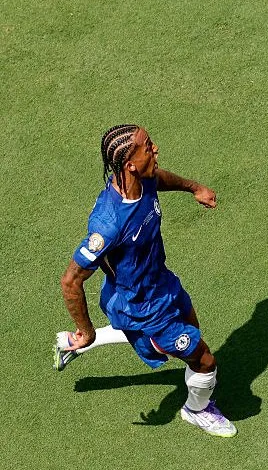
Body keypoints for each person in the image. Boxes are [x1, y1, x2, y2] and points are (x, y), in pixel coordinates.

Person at [55, 124, 236, 437]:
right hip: (140, 305)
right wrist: (84, 330)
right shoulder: (109, 225)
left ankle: (78, 343)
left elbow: (159, 179)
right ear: (130, 164)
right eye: (148, 147)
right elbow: (70, 281)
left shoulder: (143, 179)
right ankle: (197, 410)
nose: (155, 150)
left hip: (162, 284)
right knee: (204, 360)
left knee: (192, 331)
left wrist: (194, 188)